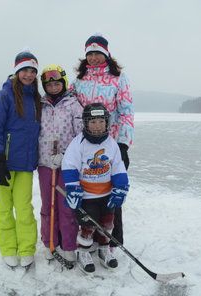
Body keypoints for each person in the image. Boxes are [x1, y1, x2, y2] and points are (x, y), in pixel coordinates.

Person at [70, 33, 134, 255]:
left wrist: (123, 144)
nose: (94, 58)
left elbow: (126, 111)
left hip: (111, 143)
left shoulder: (118, 78)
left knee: (112, 191)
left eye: (98, 53)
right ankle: (87, 237)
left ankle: (111, 240)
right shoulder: (80, 79)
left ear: (106, 54)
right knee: (89, 192)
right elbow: (67, 103)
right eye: (90, 54)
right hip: (85, 143)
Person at [0, 49, 41, 268]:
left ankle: (27, 248)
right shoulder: (3, 96)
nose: (29, 75)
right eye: (25, 70)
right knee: (4, 208)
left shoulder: (36, 98)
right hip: (4, 164)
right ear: (17, 71)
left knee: (25, 208)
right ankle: (8, 248)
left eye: (32, 71)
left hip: (25, 165)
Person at [61, 103, 130, 274]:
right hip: (87, 196)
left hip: (107, 194)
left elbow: (118, 166)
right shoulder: (78, 143)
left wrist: (120, 187)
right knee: (88, 226)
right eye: (92, 122)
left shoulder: (111, 144)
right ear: (85, 123)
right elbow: (69, 166)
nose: (97, 126)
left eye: (101, 121)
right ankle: (83, 252)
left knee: (107, 224)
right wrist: (73, 188)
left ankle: (103, 249)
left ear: (107, 123)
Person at [37, 64, 83, 263]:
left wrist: (67, 155)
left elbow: (81, 134)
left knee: (66, 206)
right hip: (45, 164)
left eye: (57, 83)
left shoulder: (73, 104)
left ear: (63, 83)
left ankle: (69, 245)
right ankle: (50, 242)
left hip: (68, 166)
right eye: (49, 85)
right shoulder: (40, 105)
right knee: (48, 206)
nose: (53, 87)